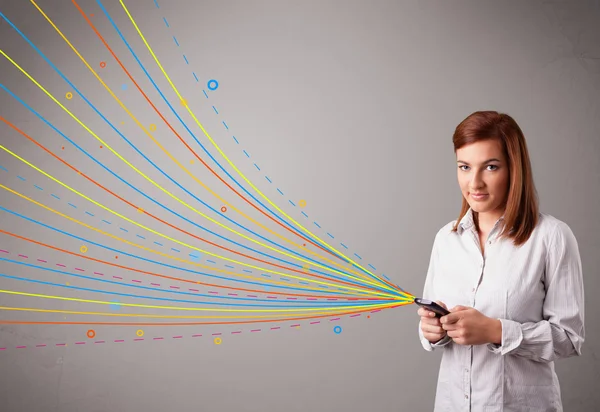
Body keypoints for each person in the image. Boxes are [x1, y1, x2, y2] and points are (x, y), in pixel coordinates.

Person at [416, 111, 585, 411]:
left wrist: (496, 331)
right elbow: (431, 326)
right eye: (464, 167)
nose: (475, 182)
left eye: (490, 167)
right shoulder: (446, 238)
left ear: (513, 169)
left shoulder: (552, 237)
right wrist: (433, 332)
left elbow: (570, 339)